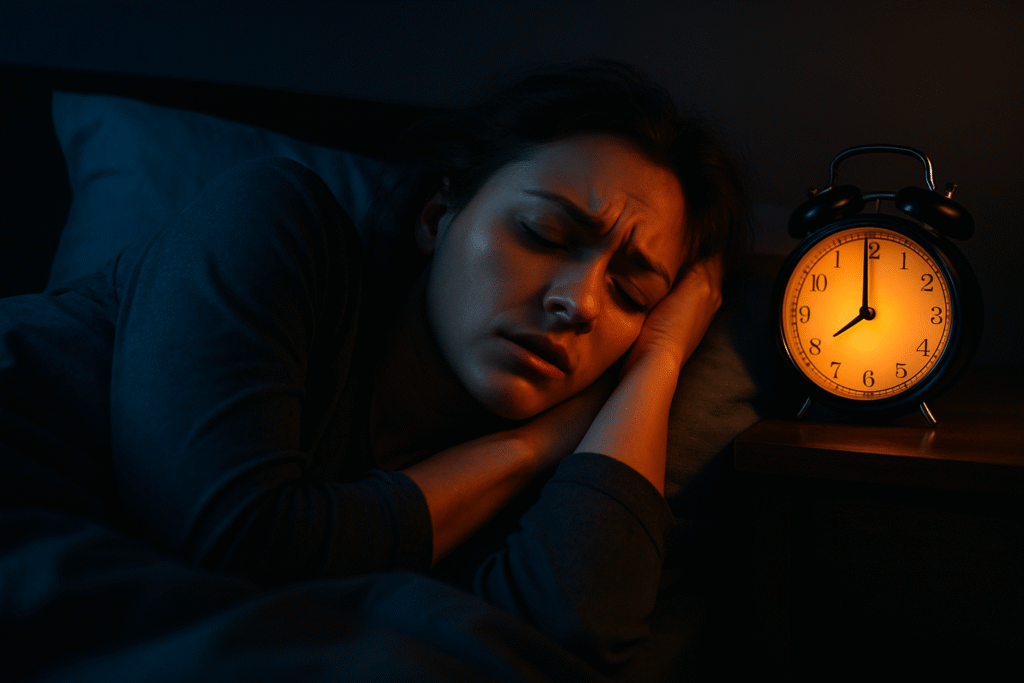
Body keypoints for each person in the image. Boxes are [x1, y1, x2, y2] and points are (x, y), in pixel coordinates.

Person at [0, 61, 747, 673]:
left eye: (631, 290)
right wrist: (529, 446)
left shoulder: (538, 504)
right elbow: (225, 541)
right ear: (435, 216)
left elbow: (572, 631)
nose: (580, 302)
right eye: (543, 232)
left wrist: (658, 360)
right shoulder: (272, 224)